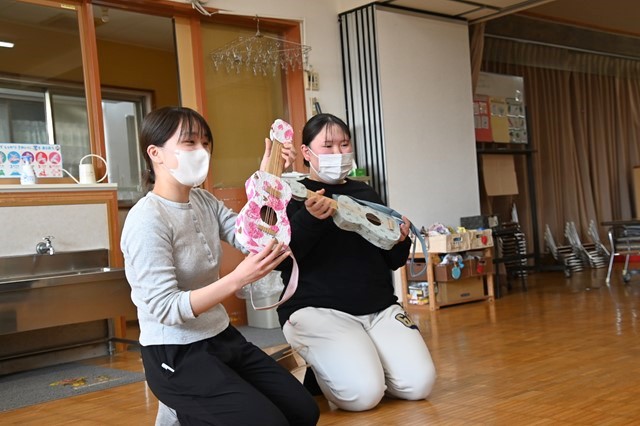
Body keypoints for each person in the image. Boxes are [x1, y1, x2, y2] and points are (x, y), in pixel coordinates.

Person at [120, 106, 320, 426]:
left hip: (221, 337)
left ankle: (188, 412)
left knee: (304, 411)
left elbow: (251, 239)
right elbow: (165, 308)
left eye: (205, 143)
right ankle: (180, 408)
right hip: (174, 353)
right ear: (155, 153)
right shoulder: (147, 219)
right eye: (189, 142)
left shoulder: (205, 201)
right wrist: (236, 279)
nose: (201, 151)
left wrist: (269, 178)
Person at [277, 113, 436, 412]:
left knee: (419, 385)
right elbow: (281, 261)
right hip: (317, 309)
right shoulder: (292, 195)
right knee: (363, 395)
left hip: (378, 308)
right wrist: (310, 220)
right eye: (328, 146)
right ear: (306, 152)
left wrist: (400, 240)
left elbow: (390, 261)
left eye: (344, 144)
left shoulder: (365, 192)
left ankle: (353, 361)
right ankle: (326, 369)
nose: (338, 153)